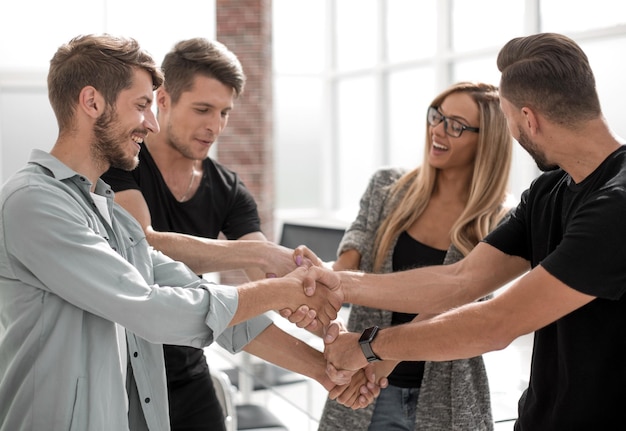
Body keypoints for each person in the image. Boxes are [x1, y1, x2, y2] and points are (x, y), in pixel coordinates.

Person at [0, 34, 347, 431]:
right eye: (142, 105)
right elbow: (151, 308)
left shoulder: (110, 214)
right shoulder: (34, 202)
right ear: (92, 102)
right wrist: (283, 287)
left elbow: (205, 299)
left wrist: (325, 367)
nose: (151, 122)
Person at [302, 32, 626, 430]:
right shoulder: (548, 190)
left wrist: (369, 347)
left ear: (529, 119)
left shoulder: (618, 205)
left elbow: (496, 322)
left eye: (507, 119)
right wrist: (340, 284)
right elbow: (461, 278)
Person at [100, 37, 375, 430]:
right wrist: (262, 257)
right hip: (120, 371)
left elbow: (269, 284)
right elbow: (145, 243)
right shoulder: (122, 163)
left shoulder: (228, 189)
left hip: (188, 367)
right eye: (203, 109)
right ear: (162, 99)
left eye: (225, 112)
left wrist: (330, 334)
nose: (215, 126)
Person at [317, 81, 513, 431]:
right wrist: (328, 280)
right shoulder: (387, 186)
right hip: (366, 388)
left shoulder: (499, 219)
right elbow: (356, 242)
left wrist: (383, 357)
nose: (437, 130)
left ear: (487, 140)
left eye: (456, 125)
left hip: (447, 398)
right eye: (437, 116)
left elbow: (463, 298)